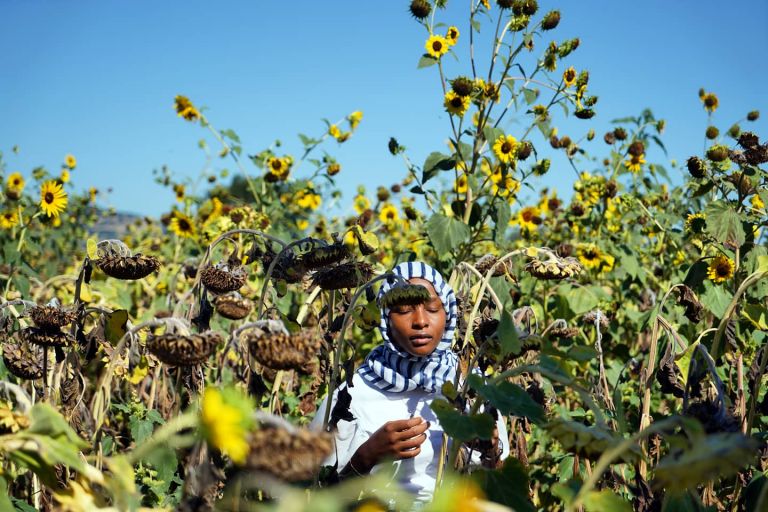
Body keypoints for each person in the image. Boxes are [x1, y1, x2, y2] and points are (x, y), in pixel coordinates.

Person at [311, 261, 509, 502]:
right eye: (404, 310)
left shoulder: (473, 388)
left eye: (433, 309)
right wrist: (367, 456)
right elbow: (316, 495)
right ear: (386, 318)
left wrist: (489, 450)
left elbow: (501, 488)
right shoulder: (353, 394)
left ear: (448, 313)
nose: (420, 321)